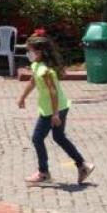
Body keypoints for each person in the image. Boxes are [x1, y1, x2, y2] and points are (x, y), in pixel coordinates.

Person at [17, 34, 94, 186]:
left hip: (53, 110)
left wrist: (55, 114)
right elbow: (33, 82)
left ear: (39, 52)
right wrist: (22, 97)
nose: (28, 53)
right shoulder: (37, 66)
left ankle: (43, 172)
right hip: (56, 107)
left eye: (30, 50)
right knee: (59, 137)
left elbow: (53, 92)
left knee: (37, 138)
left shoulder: (46, 71)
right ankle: (82, 166)